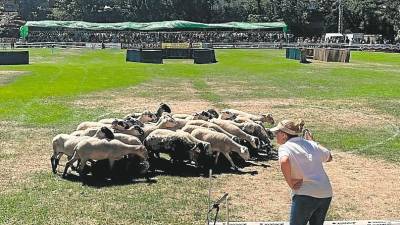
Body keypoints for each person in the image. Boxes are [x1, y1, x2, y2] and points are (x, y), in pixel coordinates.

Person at [270, 119, 333, 225]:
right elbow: (329, 157)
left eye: (277, 132)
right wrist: (313, 142)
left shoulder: (285, 147)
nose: (275, 135)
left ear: (284, 135)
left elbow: (284, 161)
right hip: (325, 192)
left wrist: (290, 183)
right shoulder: (311, 144)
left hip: (304, 194)